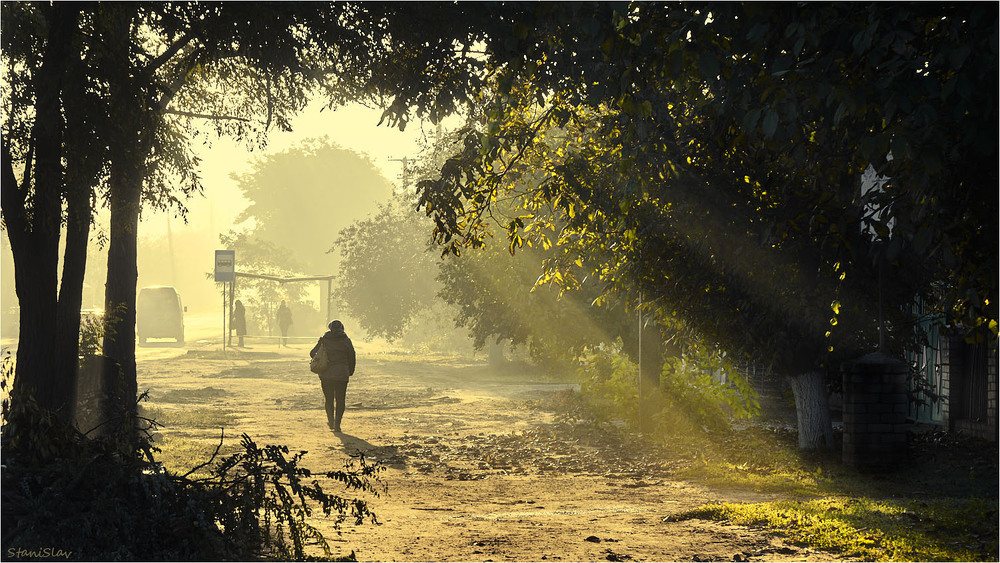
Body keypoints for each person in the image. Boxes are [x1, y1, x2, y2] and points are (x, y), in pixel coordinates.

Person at [310, 320, 356, 432]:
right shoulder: (346, 341)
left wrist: (319, 343)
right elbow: (352, 357)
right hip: (342, 374)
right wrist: (350, 371)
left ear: (330, 328)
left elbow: (312, 354)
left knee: (329, 399)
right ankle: (337, 425)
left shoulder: (324, 340)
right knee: (340, 400)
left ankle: (330, 422)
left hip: (326, 374)